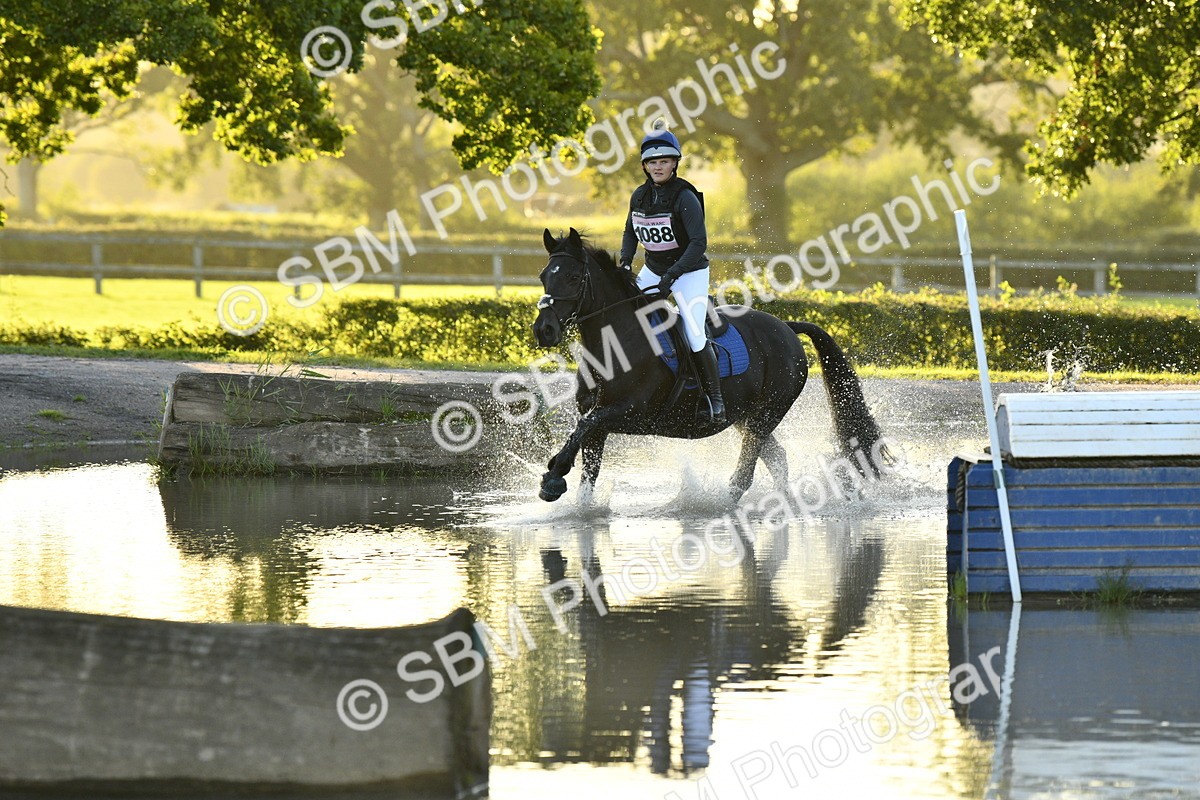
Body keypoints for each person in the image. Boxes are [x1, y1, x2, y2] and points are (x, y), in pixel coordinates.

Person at [619, 119, 726, 425]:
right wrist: (626, 262)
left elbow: (698, 243)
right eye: (652, 163)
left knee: (693, 333)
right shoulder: (639, 196)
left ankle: (715, 400)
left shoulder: (685, 197)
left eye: (664, 162)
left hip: (690, 272)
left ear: (674, 163)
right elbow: (630, 232)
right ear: (644, 166)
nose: (657, 167)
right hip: (654, 270)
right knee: (627, 318)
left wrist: (672, 277)